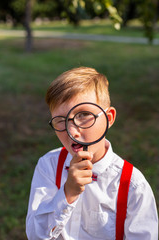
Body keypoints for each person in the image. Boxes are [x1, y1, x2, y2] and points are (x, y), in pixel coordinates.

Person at [26, 67, 158, 240]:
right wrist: (67, 193)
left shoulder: (133, 186)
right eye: (60, 120)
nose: (72, 131)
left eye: (83, 115)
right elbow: (35, 235)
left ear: (109, 118)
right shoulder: (48, 166)